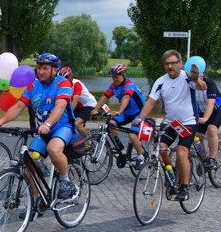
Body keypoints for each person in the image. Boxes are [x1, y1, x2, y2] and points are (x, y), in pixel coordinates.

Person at [0, 53, 76, 203]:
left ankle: (65, 180)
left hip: (63, 127)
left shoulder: (62, 83)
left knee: (53, 149)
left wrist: (48, 124)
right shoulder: (33, 85)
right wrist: (3, 120)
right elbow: (19, 106)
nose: (41, 72)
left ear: (55, 70)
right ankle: (36, 201)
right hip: (42, 130)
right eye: (39, 68)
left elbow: (60, 107)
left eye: (45, 68)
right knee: (29, 165)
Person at [134, 49, 207, 201]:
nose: (170, 66)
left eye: (174, 63)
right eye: (167, 64)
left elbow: (202, 87)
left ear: (180, 64)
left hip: (188, 123)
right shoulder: (160, 81)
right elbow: (150, 102)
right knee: (159, 149)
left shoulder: (187, 78)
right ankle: (171, 171)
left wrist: (195, 78)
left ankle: (184, 188)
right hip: (172, 123)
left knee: (181, 153)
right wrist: (140, 118)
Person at [90, 64, 146, 169]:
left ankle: (140, 157)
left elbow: (126, 97)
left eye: (117, 77)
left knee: (132, 136)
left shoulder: (129, 84)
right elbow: (104, 97)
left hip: (139, 113)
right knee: (111, 123)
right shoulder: (114, 86)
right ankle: (120, 148)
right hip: (127, 113)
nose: (114, 79)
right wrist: (96, 109)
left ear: (123, 75)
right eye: (113, 77)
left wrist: (119, 111)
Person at [58, 66, 96, 138]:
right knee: (68, 124)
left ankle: (88, 140)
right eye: (62, 81)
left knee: (77, 123)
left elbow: (74, 102)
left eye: (67, 80)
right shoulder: (62, 86)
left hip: (88, 105)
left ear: (71, 78)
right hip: (78, 106)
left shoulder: (77, 84)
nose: (65, 83)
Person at [195, 73, 220, 169]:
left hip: (216, 109)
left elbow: (211, 104)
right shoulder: (190, 84)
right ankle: (204, 157)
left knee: (211, 129)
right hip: (201, 111)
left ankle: (212, 159)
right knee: (197, 136)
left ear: (203, 75)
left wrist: (205, 119)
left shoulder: (210, 83)